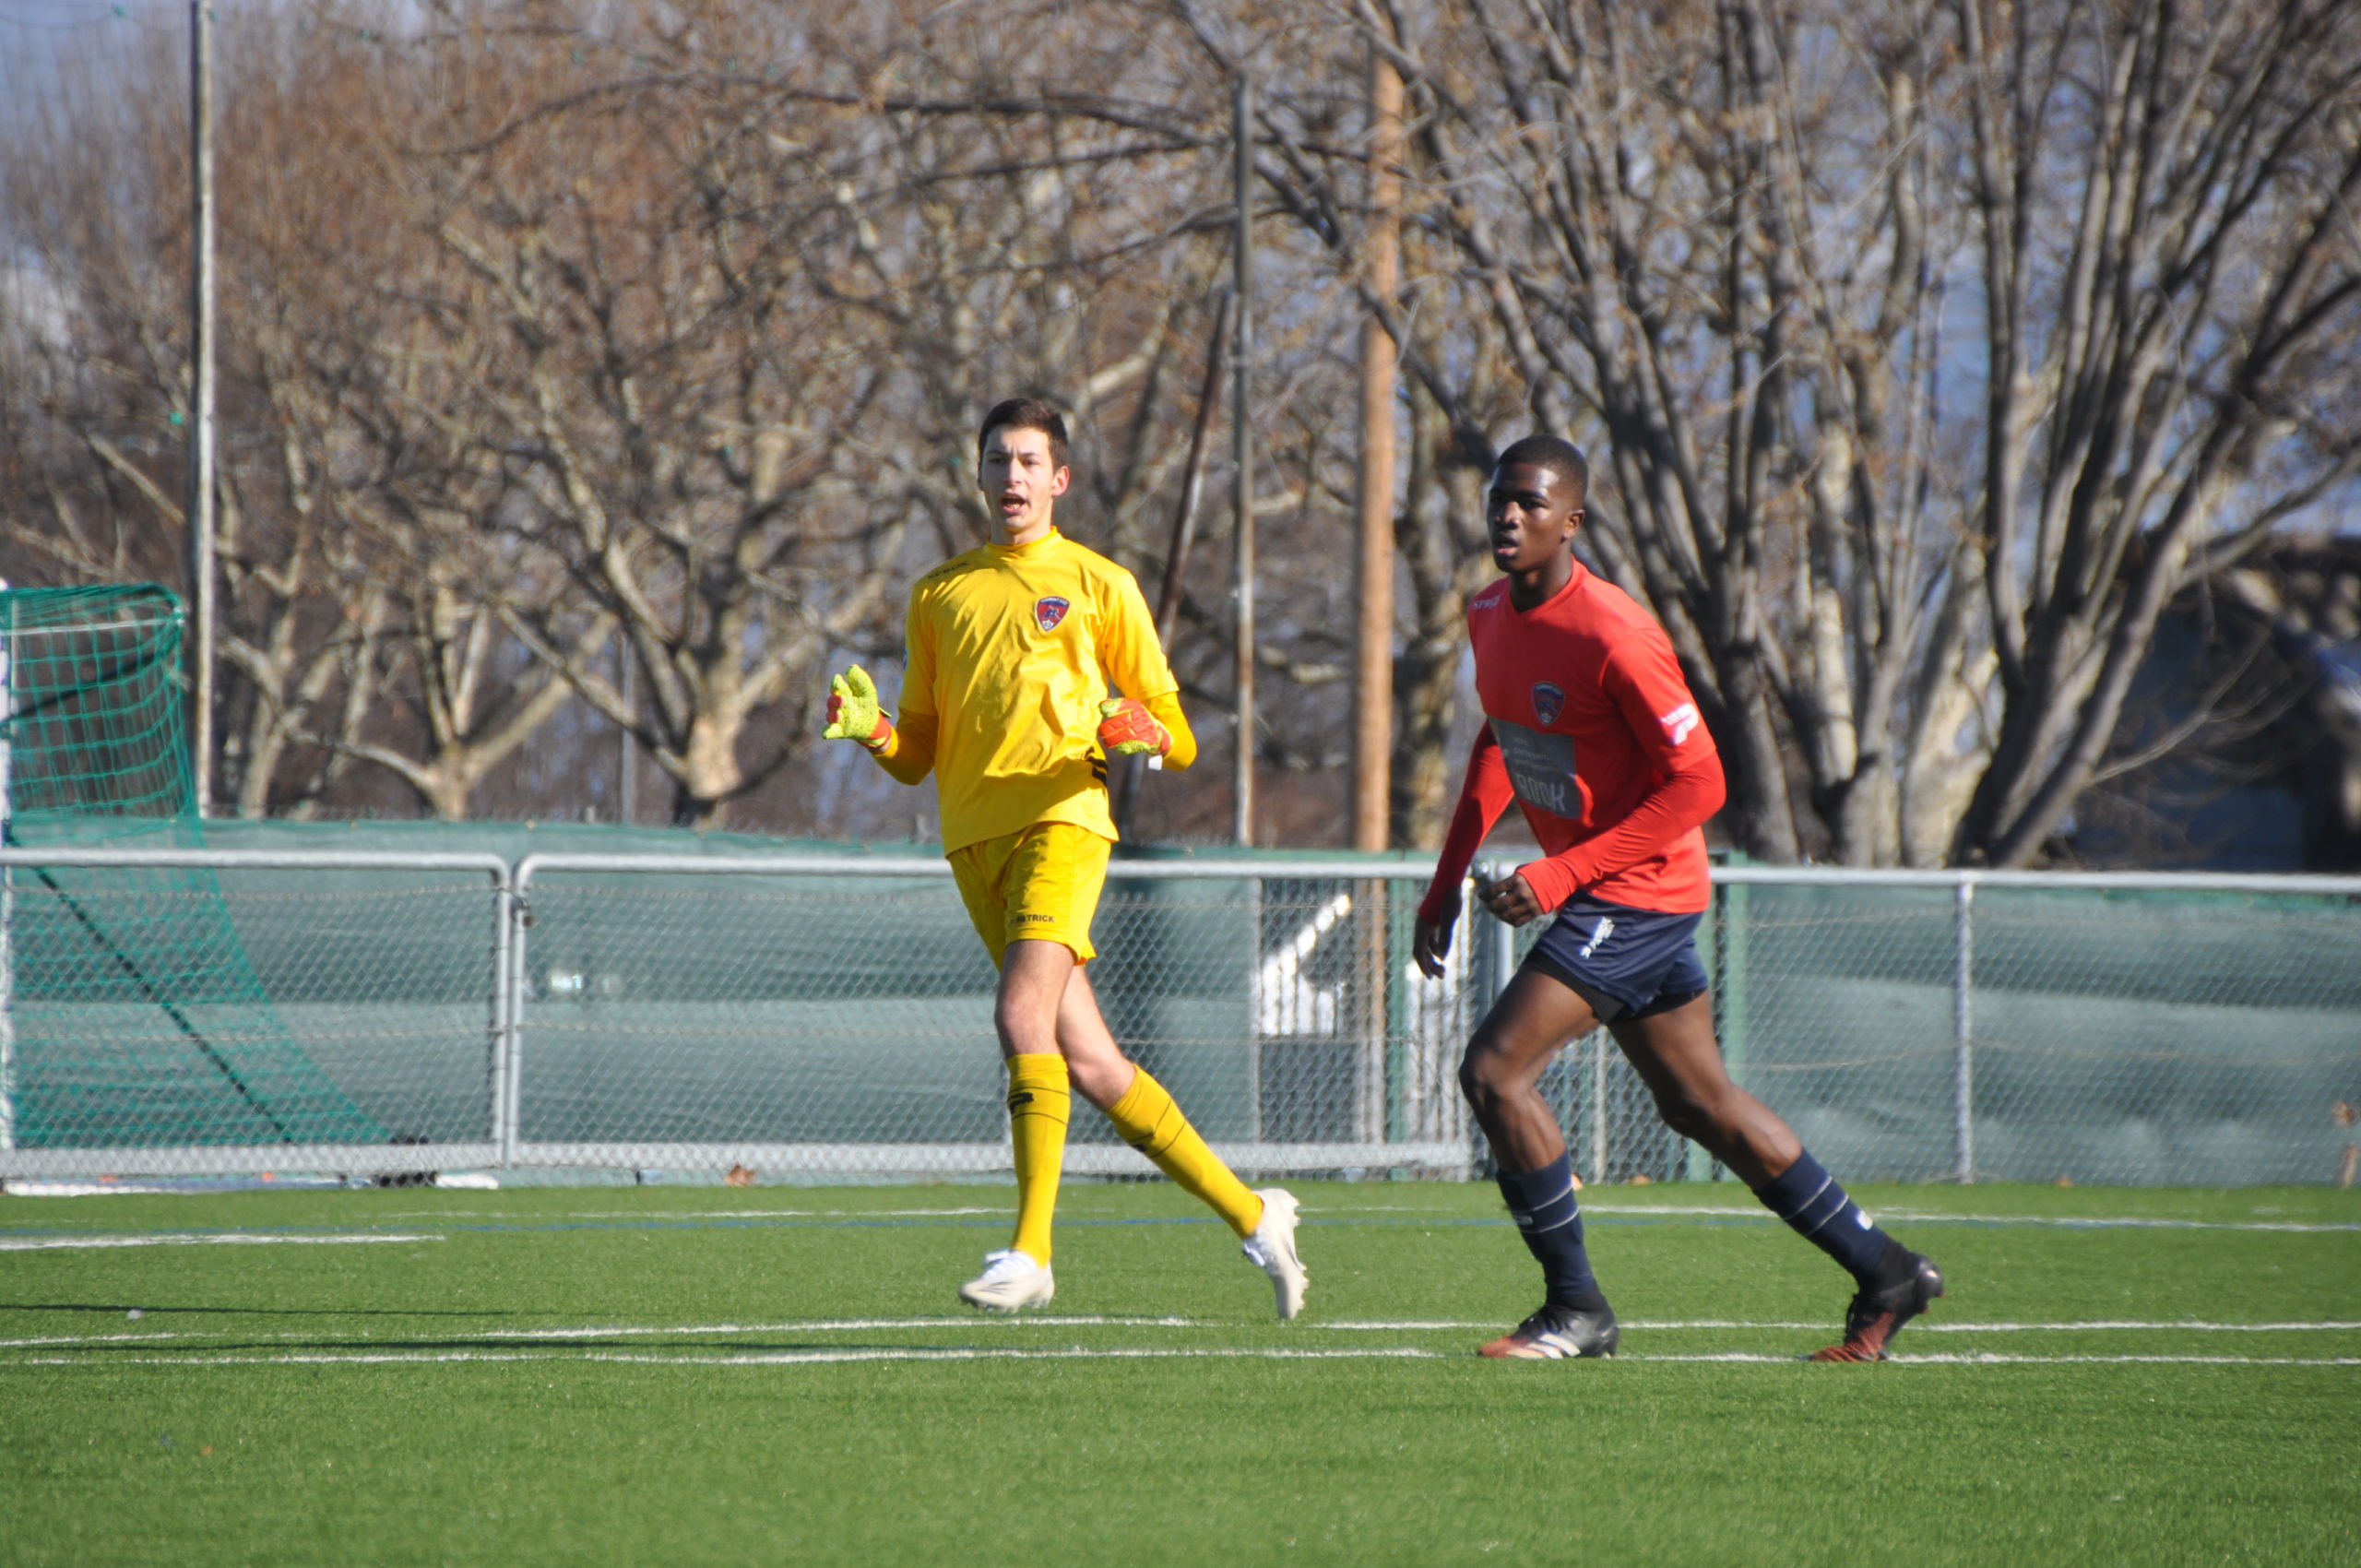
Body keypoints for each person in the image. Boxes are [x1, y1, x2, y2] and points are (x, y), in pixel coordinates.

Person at [1412, 434, 1942, 1361]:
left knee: (1495, 1071)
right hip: (1604, 890)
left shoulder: (1614, 630)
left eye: (1531, 503)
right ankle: (1886, 1269)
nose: (1507, 514)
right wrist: (1445, 878)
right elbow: (1498, 743)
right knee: (1699, 1103)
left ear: (1570, 521)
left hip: (1642, 888)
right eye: (1499, 498)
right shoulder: (1487, 612)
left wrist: (1560, 873)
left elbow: (1700, 784)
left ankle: (1577, 1306)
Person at [821, 397, 1308, 1319]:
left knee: (1018, 1013)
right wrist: (873, 729)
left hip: (1065, 821)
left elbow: (1177, 733)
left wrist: (1145, 733)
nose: (1012, 476)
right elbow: (919, 753)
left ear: (1060, 479)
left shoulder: (1099, 582)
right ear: (977, 473)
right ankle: (1254, 1213)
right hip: (972, 840)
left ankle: (1032, 1249)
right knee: (1089, 1059)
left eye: (1029, 460)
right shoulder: (938, 592)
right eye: (997, 458)